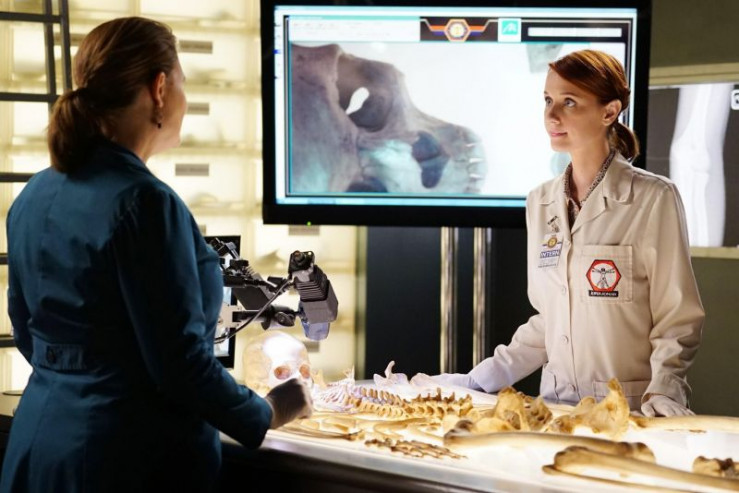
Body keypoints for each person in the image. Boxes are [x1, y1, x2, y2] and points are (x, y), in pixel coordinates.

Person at [0, 17, 312, 492]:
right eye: (183, 82)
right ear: (160, 89)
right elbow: (179, 365)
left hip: (38, 448)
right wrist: (266, 409)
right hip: (122, 460)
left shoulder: (34, 195)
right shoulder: (145, 203)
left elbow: (27, 332)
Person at [422, 49, 704, 417]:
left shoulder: (653, 198)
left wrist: (664, 391)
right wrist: (479, 380)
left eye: (569, 102)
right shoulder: (540, 202)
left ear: (609, 112)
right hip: (556, 409)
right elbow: (549, 319)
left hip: (631, 410)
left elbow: (677, 317)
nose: (552, 115)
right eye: (547, 100)